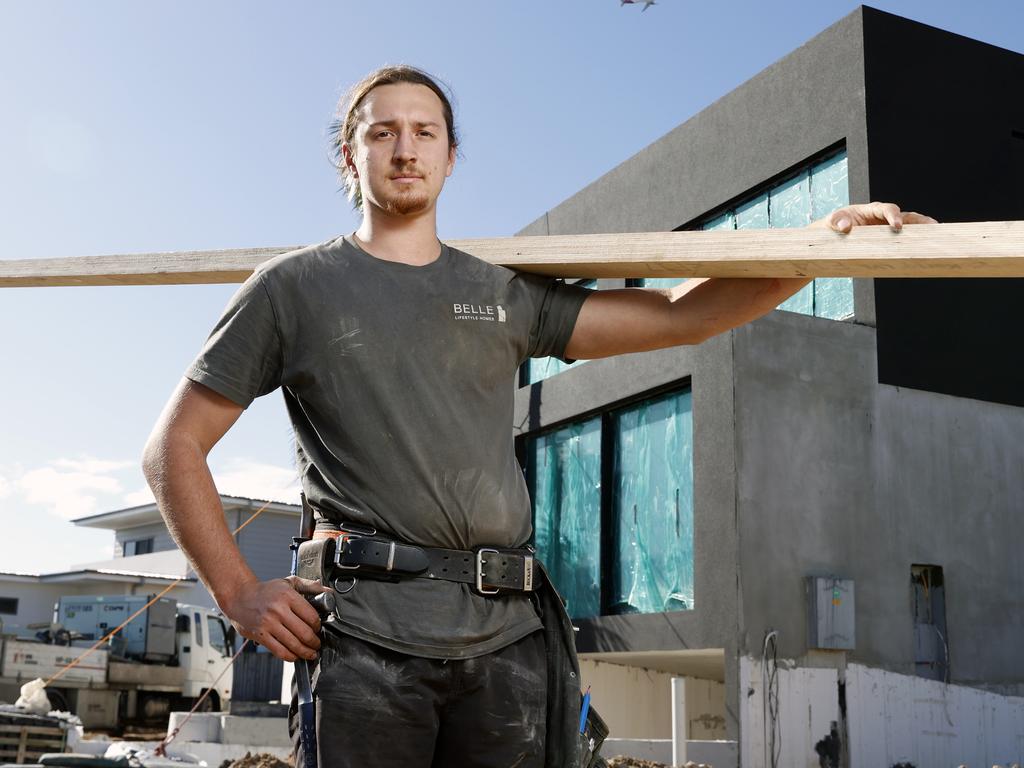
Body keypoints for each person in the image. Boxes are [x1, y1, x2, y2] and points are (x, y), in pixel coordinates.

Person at [141, 65, 935, 768]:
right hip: (365, 638)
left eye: (426, 131)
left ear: (451, 157)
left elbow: (677, 317)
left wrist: (810, 253)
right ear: (352, 158)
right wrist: (239, 592)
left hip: (506, 641)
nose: (405, 148)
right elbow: (173, 448)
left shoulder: (500, 291)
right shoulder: (294, 289)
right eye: (382, 132)